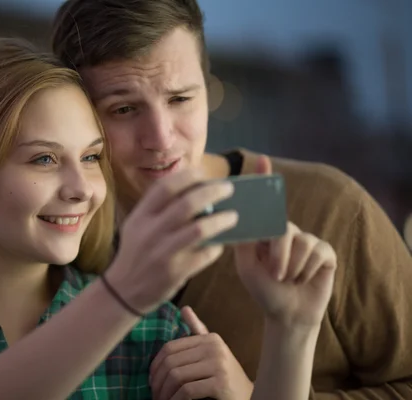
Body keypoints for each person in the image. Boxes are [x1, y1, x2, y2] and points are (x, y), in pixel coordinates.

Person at [0, 39, 337, 400]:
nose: (82, 190)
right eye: (44, 159)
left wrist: (292, 329)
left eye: (92, 157)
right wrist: (122, 293)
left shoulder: (155, 330)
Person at [51, 1, 412, 399]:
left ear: (207, 89)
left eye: (180, 99)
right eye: (124, 109)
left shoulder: (330, 208)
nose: (162, 138)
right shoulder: (61, 238)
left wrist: (260, 393)